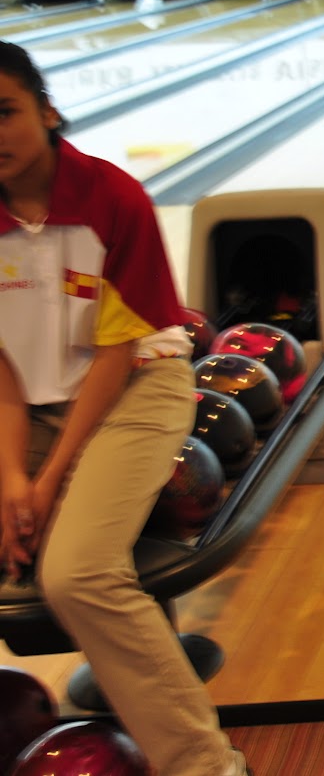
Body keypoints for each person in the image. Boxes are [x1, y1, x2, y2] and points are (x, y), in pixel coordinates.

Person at [0, 41, 249, 776]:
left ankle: (206, 764)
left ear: (47, 111)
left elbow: (112, 358)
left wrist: (46, 487)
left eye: (3, 111)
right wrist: (14, 476)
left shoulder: (112, 198)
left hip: (135, 387)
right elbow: (6, 371)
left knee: (77, 574)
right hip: (31, 405)